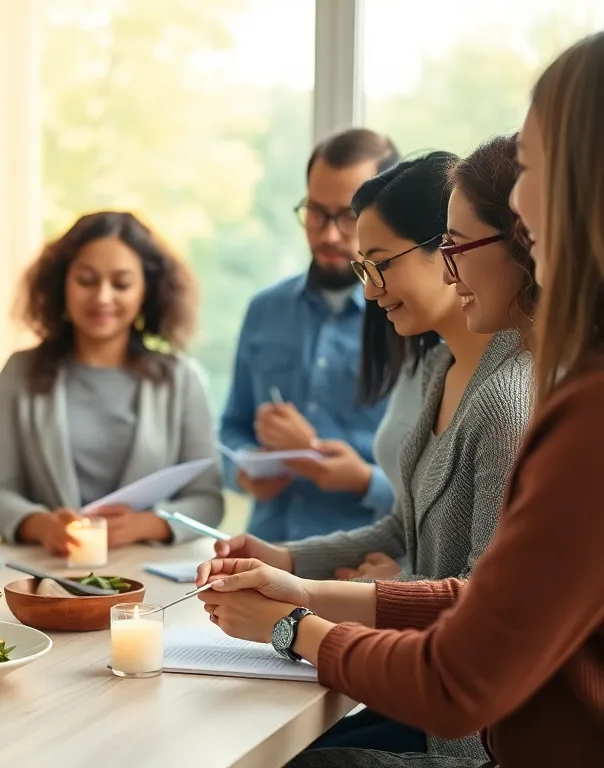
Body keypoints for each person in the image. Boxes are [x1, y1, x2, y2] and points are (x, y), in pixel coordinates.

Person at [196, 30, 604, 767]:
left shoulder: (572, 407)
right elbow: (483, 606)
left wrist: (292, 622)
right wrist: (301, 586)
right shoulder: (515, 380)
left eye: (534, 166)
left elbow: (457, 678)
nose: (518, 199)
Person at [230, 145, 537, 759]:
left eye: (379, 265)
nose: (370, 293)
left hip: (471, 737)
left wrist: (300, 616)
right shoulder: (439, 368)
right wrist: (286, 559)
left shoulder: (509, 401)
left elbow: (479, 603)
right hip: (429, 704)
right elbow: (404, 522)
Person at [0, 211, 222, 554]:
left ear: (145, 292)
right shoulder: (20, 373)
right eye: (86, 280)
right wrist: (42, 526)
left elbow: (208, 500)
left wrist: (145, 525)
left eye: (121, 284)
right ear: (61, 283)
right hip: (45, 573)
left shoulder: (181, 378)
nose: (102, 297)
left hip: (150, 577)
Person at [220, 128, 401, 541]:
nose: (327, 234)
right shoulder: (265, 309)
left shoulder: (409, 323)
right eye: (316, 212)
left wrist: (360, 479)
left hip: (360, 571)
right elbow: (232, 427)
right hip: (265, 553)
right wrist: (245, 469)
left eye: (347, 216)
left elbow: (434, 489)